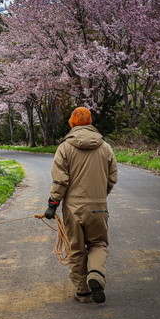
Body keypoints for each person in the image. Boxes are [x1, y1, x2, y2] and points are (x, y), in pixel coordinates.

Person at [44, 107, 118, 303]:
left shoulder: (65, 148)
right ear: (90, 122)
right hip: (98, 206)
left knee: (76, 249)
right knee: (98, 244)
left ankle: (83, 292)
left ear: (72, 123)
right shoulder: (106, 148)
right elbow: (112, 178)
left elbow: (61, 180)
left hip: (73, 209)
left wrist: (53, 204)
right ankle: (95, 274)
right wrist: (101, 194)